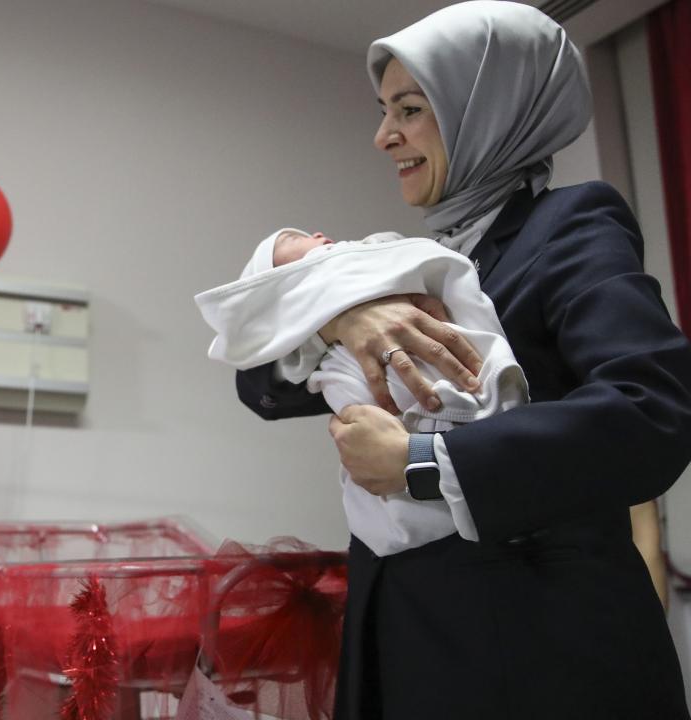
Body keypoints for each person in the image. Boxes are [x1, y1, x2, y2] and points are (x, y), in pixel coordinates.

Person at [233, 3, 691, 718]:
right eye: (385, 111)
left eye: (411, 109)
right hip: (412, 634)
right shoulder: (413, 262)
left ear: (489, 110)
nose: (384, 136)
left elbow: (652, 411)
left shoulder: (568, 225)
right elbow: (260, 387)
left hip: (535, 651)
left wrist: (422, 463)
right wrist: (339, 319)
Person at [197, 227, 527, 557]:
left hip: (497, 484)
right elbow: (254, 383)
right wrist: (329, 324)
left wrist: (424, 458)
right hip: (399, 518)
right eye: (291, 240)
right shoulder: (300, 319)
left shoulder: (379, 252)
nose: (317, 233)